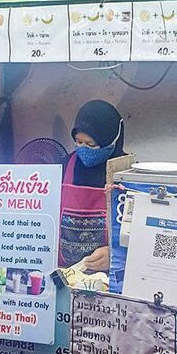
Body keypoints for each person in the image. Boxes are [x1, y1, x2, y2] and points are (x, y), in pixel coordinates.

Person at [59, 99, 124, 271]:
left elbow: (139, 234)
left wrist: (115, 253)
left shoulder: (126, 173)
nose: (83, 149)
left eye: (91, 144)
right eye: (79, 142)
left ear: (111, 140)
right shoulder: (64, 166)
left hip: (105, 278)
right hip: (65, 273)